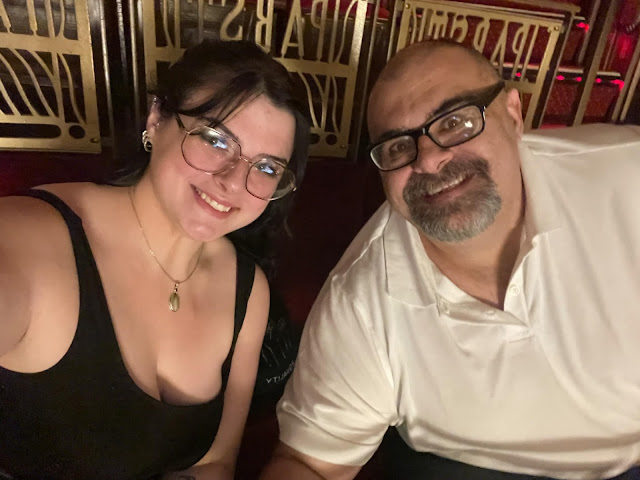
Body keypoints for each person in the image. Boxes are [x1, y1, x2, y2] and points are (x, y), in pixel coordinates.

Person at [261, 40, 640, 480]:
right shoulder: (361, 300)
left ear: (513, 115)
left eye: (455, 122)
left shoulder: (627, 175)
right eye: (397, 147)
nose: (429, 158)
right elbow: (311, 464)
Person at [0, 39, 309, 480]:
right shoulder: (24, 241)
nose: (232, 181)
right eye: (215, 140)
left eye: (265, 168)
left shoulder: (248, 289)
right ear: (157, 118)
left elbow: (214, 463)